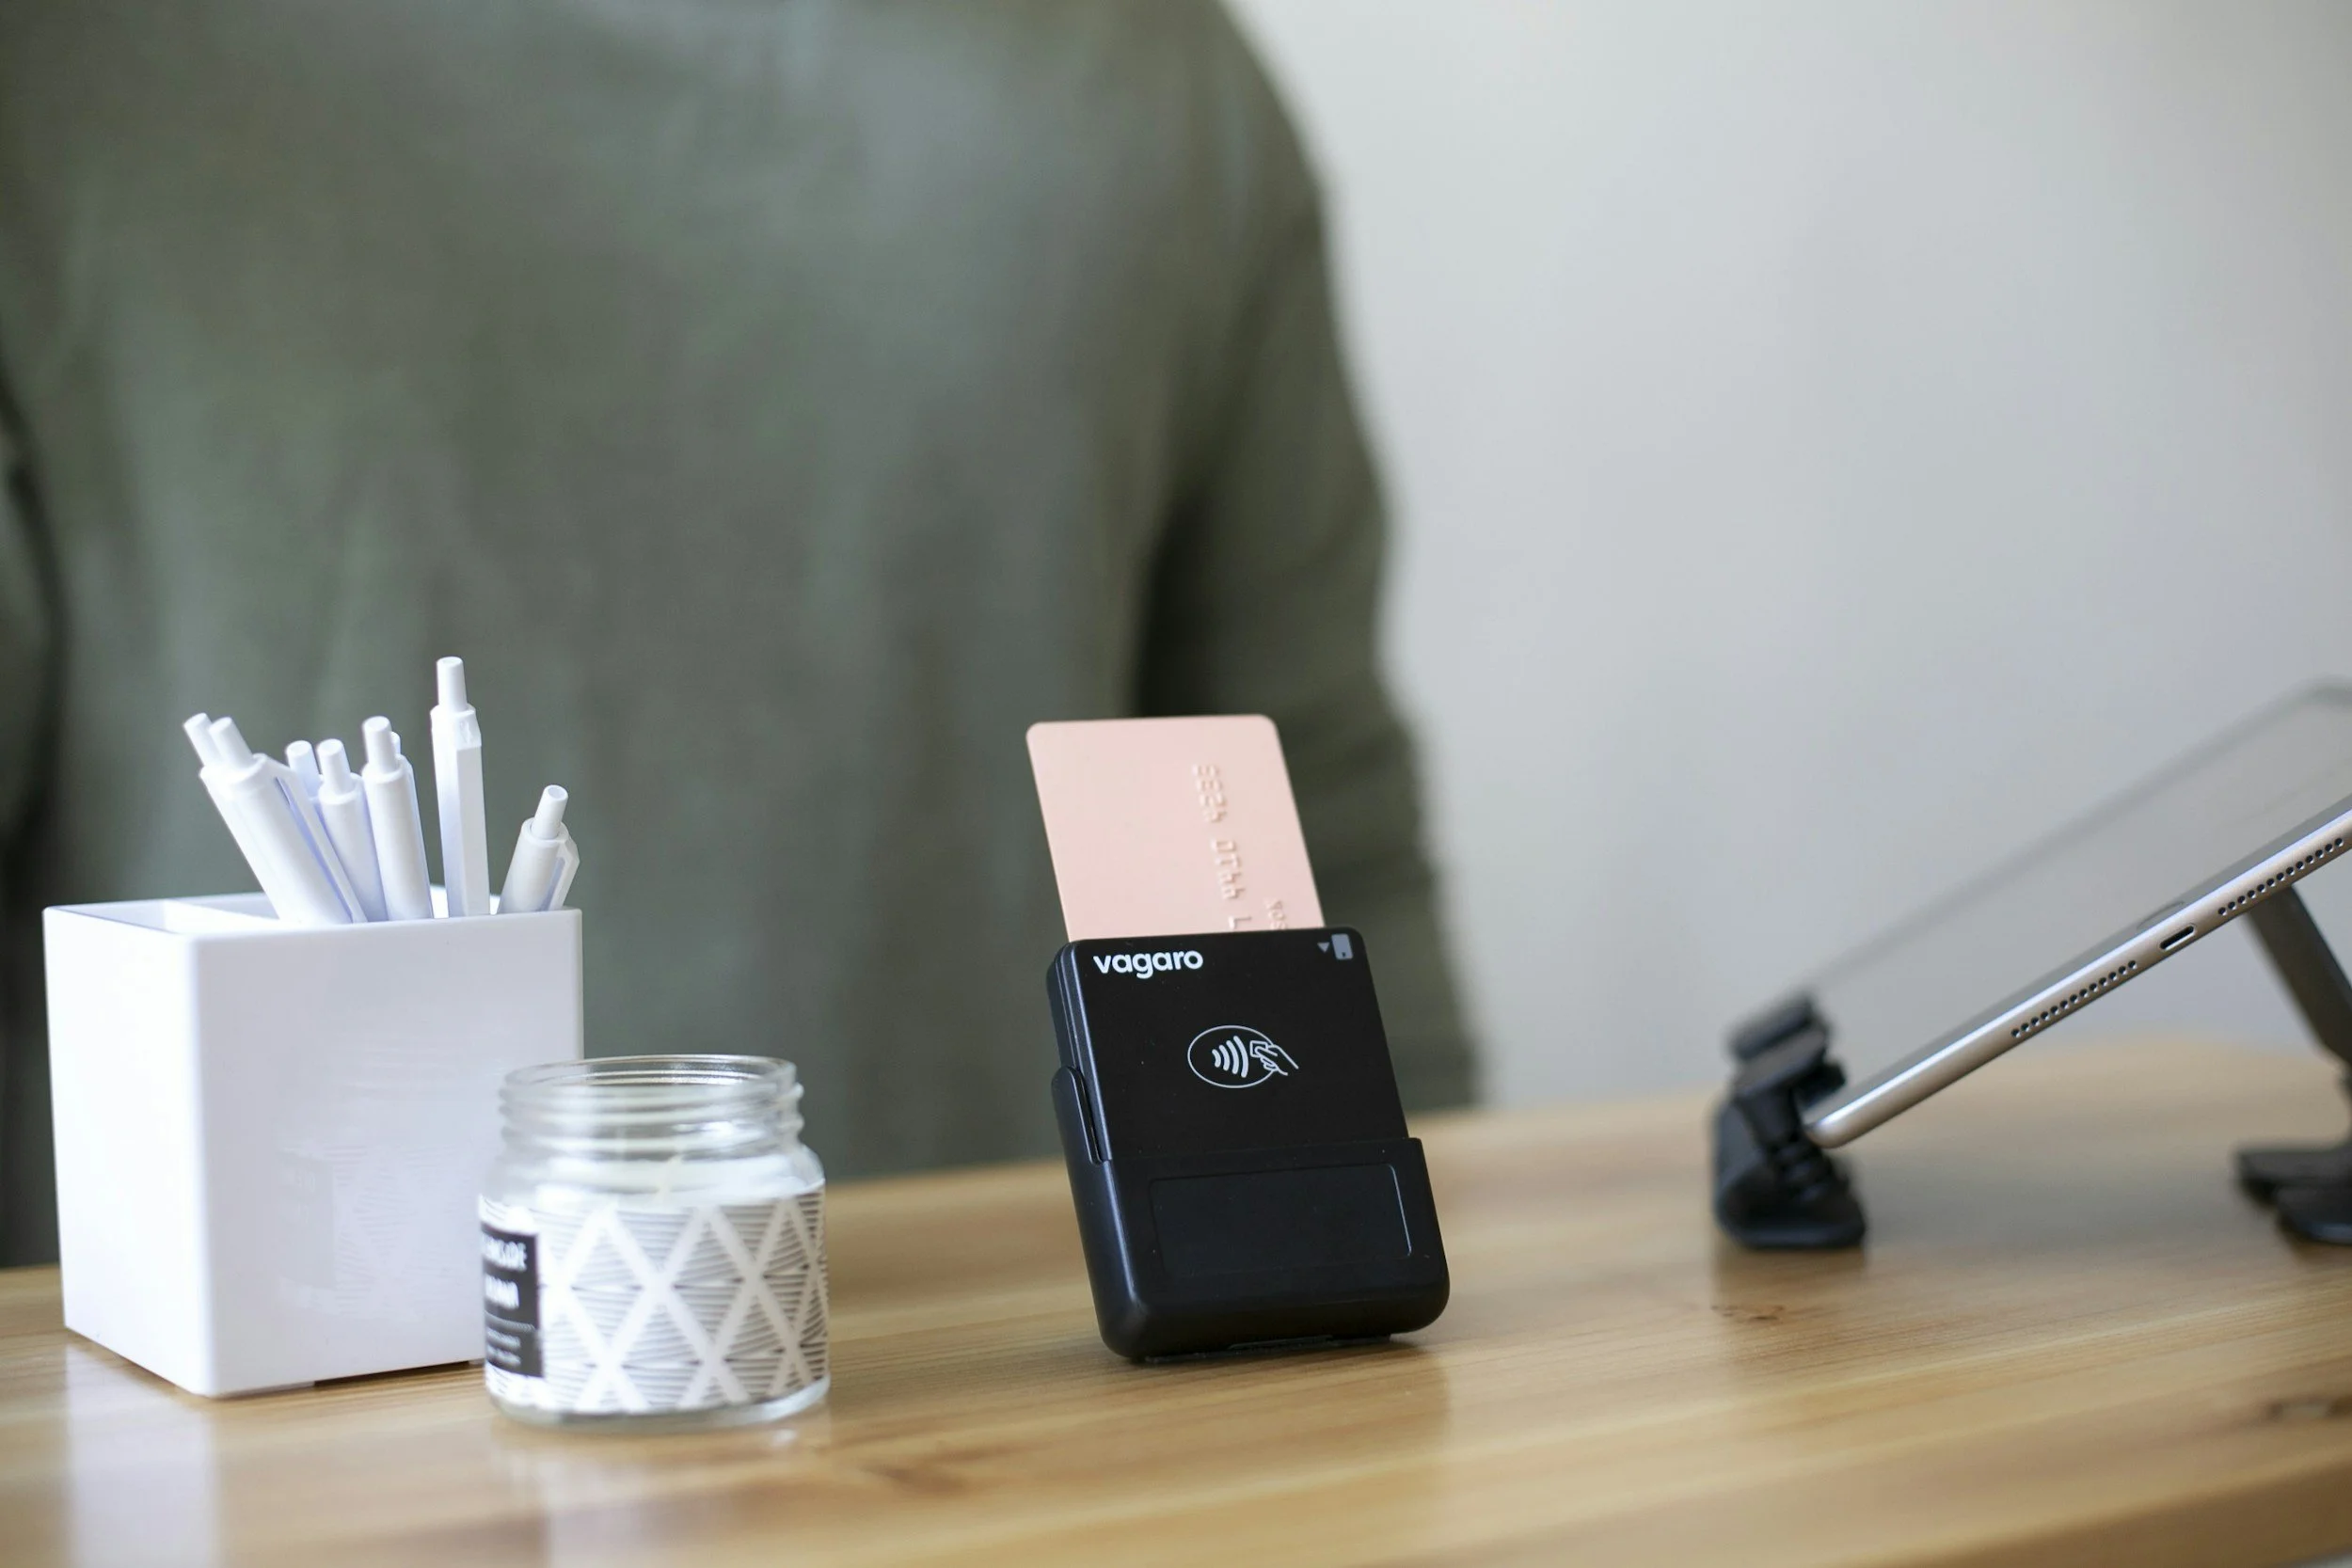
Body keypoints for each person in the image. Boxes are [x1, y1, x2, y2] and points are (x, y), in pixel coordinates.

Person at [0, 0, 1475, 1264]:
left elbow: (1308, 840)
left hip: (1026, 1393)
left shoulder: (1158, 90)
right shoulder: (62, 76)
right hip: (230, 1441)